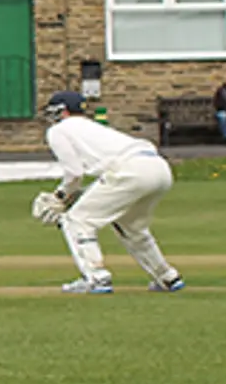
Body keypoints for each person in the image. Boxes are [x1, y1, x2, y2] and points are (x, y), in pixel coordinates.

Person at [30, 92, 186, 294]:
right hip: (159, 168)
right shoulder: (93, 127)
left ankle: (96, 278)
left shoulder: (59, 130)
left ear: (62, 111)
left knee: (77, 220)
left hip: (129, 170)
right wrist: (72, 195)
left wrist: (59, 197)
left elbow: (74, 173)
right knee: (131, 226)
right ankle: (167, 277)